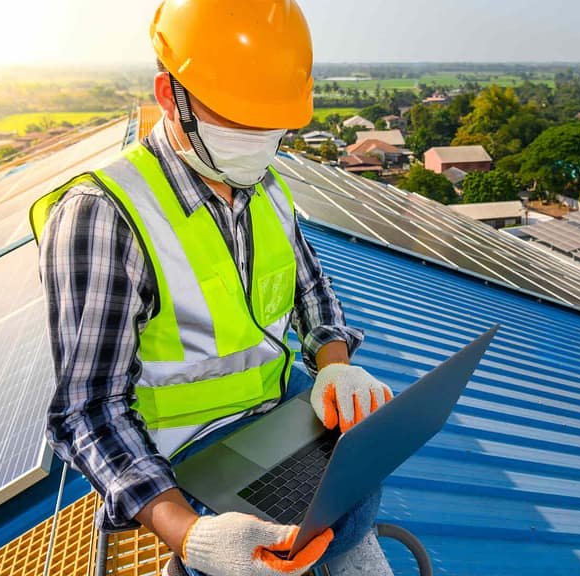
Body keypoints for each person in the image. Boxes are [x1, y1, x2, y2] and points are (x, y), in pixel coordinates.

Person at [30, 1, 394, 575]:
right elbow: (89, 410)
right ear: (168, 94)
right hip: (179, 459)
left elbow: (313, 293)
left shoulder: (267, 189)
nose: (254, 138)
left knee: (353, 501)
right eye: (234, 117)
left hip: (276, 419)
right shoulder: (103, 215)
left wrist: (333, 363)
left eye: (268, 122)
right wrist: (192, 535)